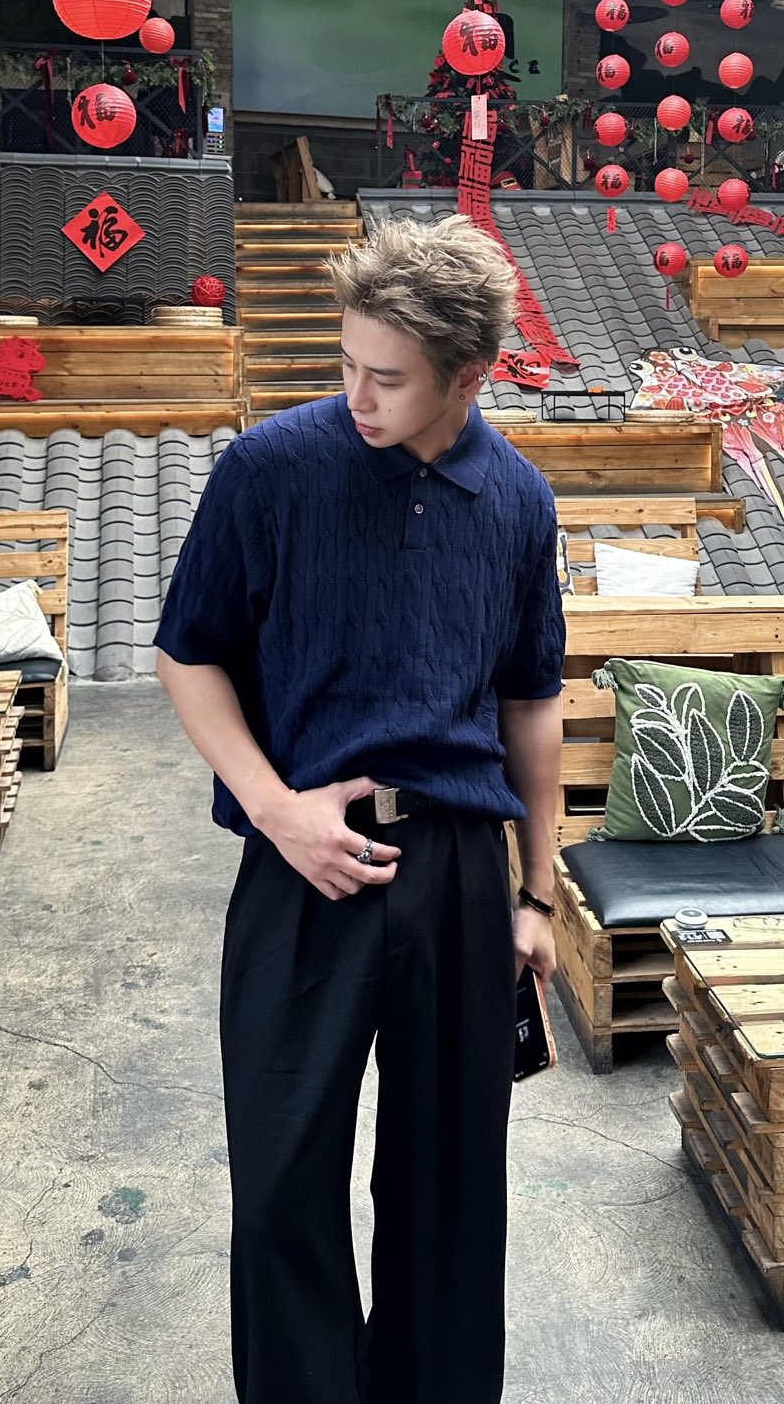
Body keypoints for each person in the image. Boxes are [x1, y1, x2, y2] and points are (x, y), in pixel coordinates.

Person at [155, 212, 566, 1404]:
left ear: (470, 377)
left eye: (387, 377)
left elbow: (531, 702)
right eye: (347, 363)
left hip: (457, 868)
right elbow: (188, 652)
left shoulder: (518, 500)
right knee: (281, 1183)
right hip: (302, 866)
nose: (357, 395)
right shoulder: (271, 469)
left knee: (448, 1192)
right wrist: (275, 809)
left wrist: (538, 894)